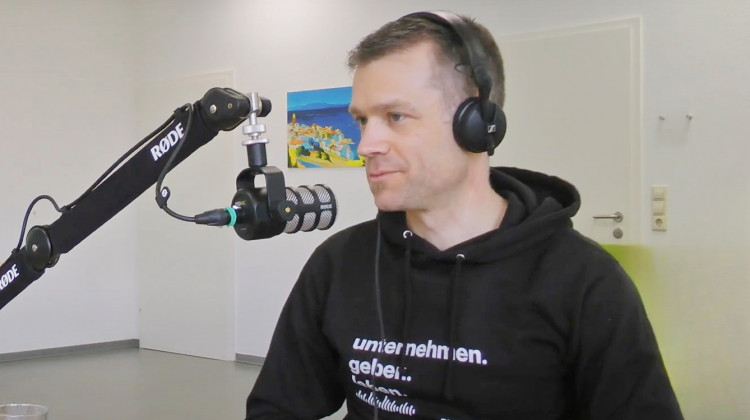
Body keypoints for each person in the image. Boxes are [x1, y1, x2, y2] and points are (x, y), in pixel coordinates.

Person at [246, 10, 683, 420]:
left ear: (477, 124)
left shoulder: (584, 280)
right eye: (362, 120)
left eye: (396, 116)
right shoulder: (340, 262)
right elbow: (276, 409)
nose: (366, 146)